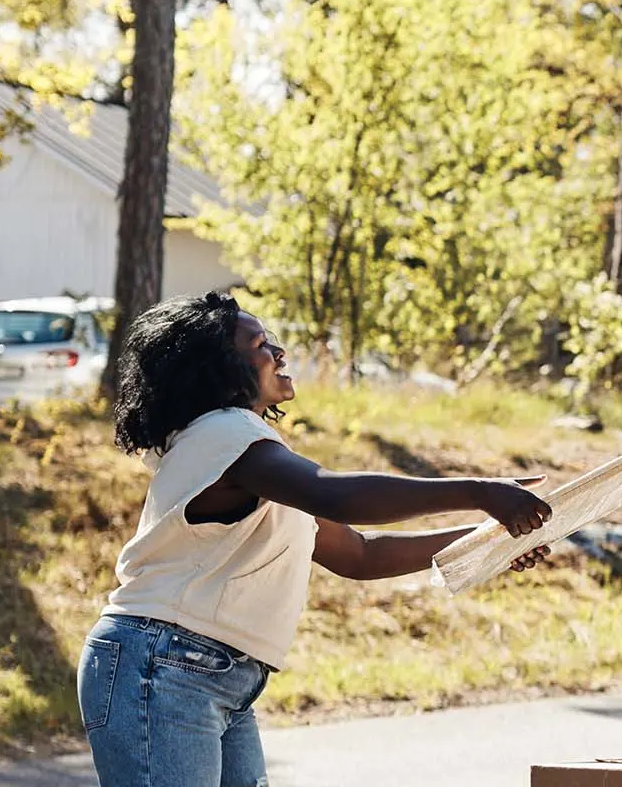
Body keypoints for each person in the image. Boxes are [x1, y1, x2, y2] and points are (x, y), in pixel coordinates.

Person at [79, 292, 555, 786]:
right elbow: (338, 497)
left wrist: (491, 540)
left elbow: (359, 553)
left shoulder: (254, 456)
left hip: (211, 675)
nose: (280, 353)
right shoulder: (223, 437)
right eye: (261, 345)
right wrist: (479, 491)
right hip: (162, 667)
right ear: (219, 371)